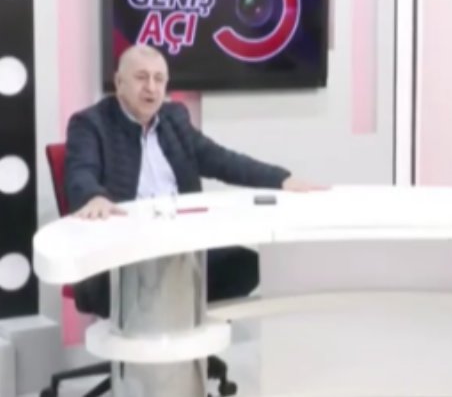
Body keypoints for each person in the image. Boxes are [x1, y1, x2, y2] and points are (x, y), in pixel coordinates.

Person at [65, 44, 322, 318]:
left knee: (245, 265)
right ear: (119, 83)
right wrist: (94, 196)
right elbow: (81, 172)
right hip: (125, 251)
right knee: (152, 282)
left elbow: (222, 160)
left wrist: (280, 179)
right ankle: (167, 329)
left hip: (181, 243)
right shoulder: (91, 123)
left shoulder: (174, 118)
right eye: (141, 77)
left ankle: (188, 330)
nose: (151, 88)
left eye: (159, 79)